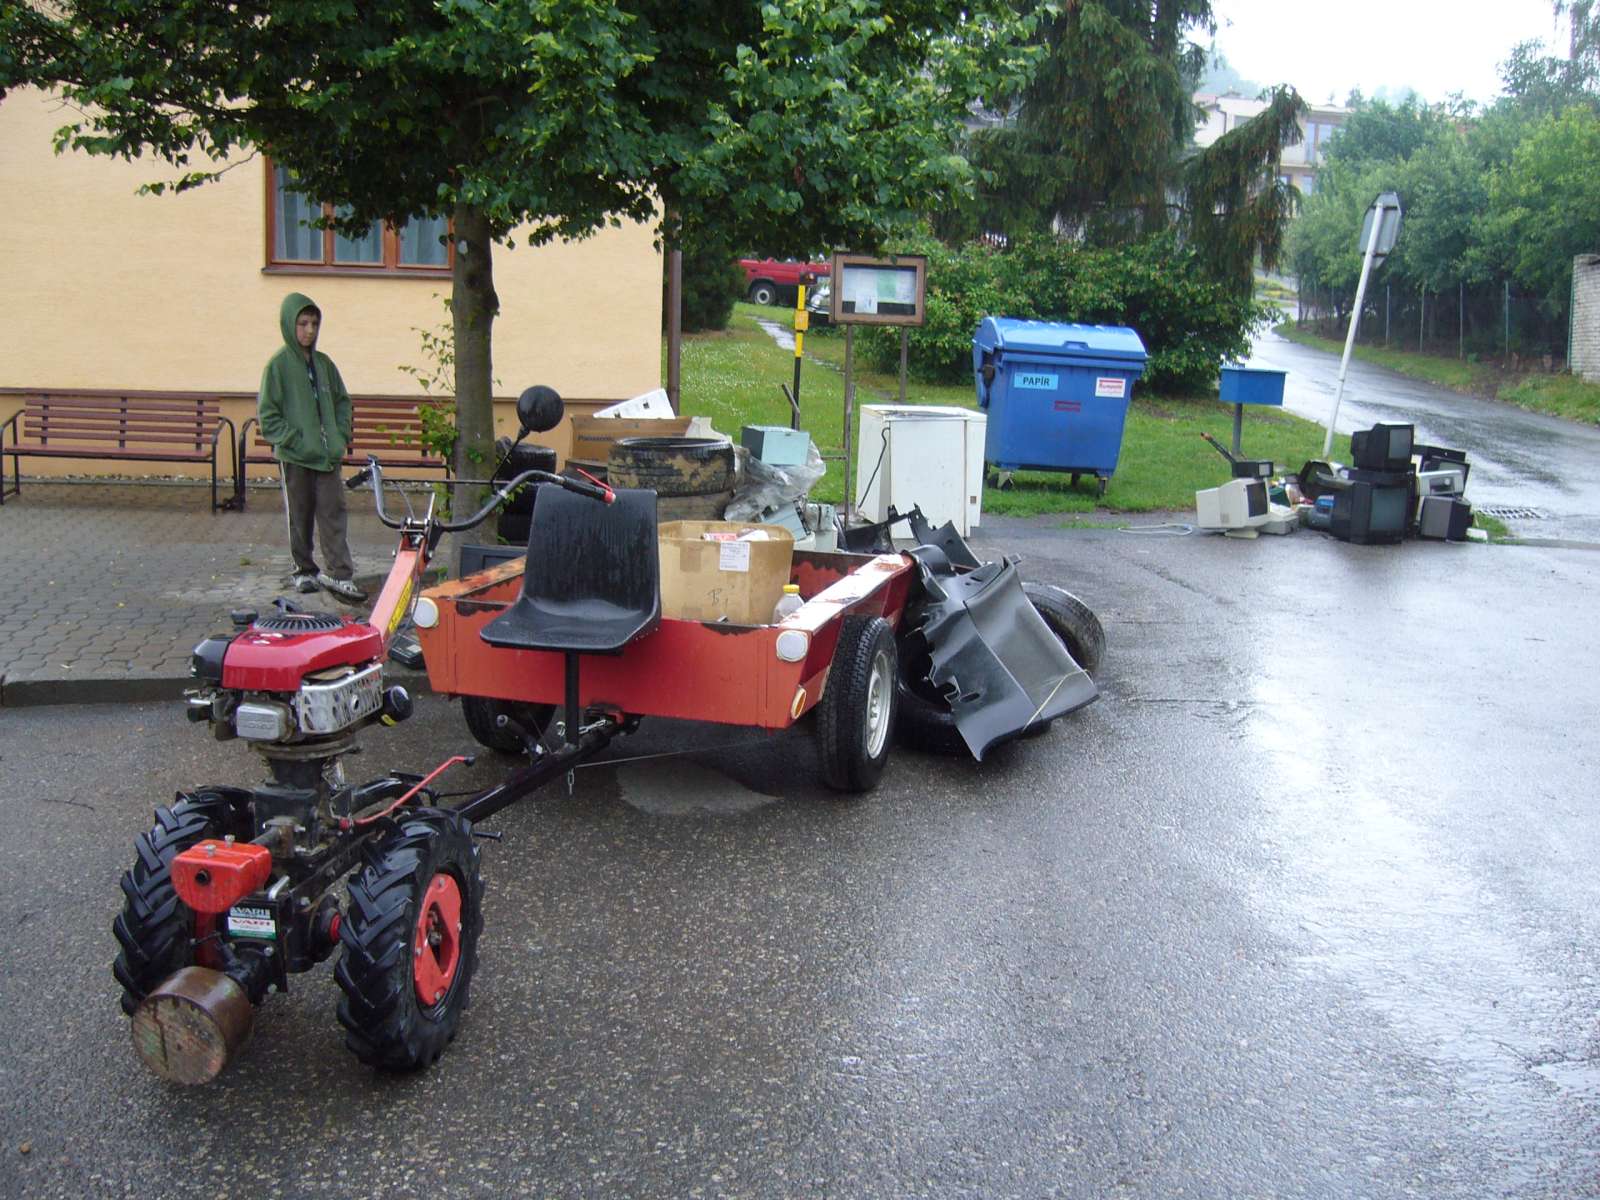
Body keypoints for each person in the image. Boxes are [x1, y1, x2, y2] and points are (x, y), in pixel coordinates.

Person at [257, 292, 367, 601]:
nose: (309, 330)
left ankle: (340, 573)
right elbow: (268, 415)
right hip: (296, 457)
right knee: (300, 515)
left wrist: (340, 435)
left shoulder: (324, 364)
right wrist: (295, 440)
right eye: (303, 323)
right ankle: (304, 570)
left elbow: (342, 402)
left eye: (314, 324)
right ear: (289, 324)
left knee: (334, 513)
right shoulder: (278, 366)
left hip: (327, 456)